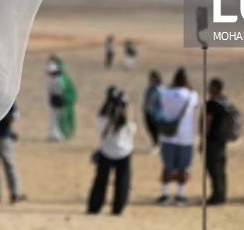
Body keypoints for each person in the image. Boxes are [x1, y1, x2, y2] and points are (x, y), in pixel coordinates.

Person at [87, 86, 136, 215]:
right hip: (124, 152)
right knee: (122, 181)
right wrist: (128, 109)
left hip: (106, 152)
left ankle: (94, 206)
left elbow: (99, 129)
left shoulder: (102, 119)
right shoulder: (126, 121)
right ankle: (118, 208)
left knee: (100, 181)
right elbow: (133, 131)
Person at [156, 67, 199, 206]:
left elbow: (161, 105)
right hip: (185, 138)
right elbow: (196, 104)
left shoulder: (166, 93)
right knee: (183, 167)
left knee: (168, 166)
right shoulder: (191, 95)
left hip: (168, 136)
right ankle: (180, 195)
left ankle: (164, 194)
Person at [202, 78, 231, 205]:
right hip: (222, 141)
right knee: (220, 169)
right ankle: (221, 195)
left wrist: (202, 140)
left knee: (214, 169)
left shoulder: (212, 104)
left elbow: (207, 123)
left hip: (212, 141)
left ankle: (217, 196)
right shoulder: (224, 102)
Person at [46, 55, 76, 141]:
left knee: (55, 118)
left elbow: (55, 91)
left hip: (56, 100)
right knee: (56, 118)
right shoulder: (60, 79)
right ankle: (55, 134)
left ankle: (56, 135)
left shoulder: (55, 80)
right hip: (59, 101)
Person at [143, 70, 163, 153]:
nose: (151, 79)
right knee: (150, 129)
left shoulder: (160, 89)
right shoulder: (149, 89)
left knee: (156, 130)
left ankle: (157, 145)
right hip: (148, 112)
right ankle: (155, 144)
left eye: (152, 78)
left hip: (157, 113)